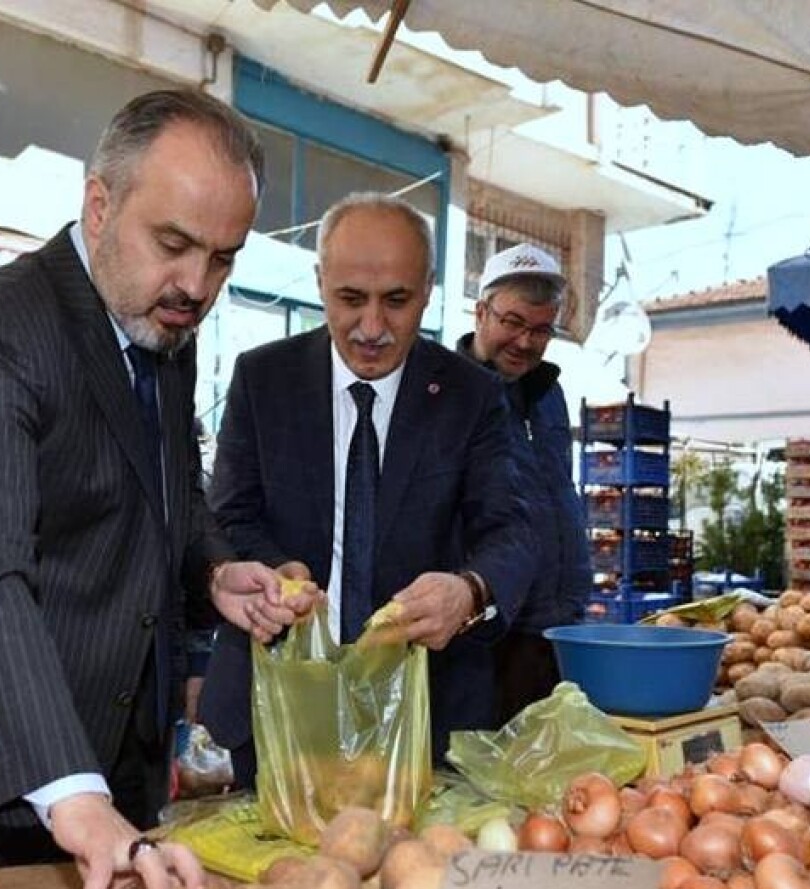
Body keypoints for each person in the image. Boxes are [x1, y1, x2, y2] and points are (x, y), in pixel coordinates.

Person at [0, 90, 316, 889]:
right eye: (174, 244)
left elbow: (167, 491)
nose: (197, 285)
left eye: (223, 259)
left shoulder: (163, 326)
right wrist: (73, 793)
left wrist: (211, 569)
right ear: (99, 204)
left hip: (116, 763)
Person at [200, 193, 535, 785]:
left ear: (429, 289)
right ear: (320, 281)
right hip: (277, 708)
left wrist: (469, 590)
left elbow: (511, 530)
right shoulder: (262, 379)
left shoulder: (472, 396)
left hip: (420, 721)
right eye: (350, 299)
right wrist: (275, 571)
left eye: (397, 302)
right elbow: (229, 517)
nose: (373, 328)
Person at [454, 244, 590, 722]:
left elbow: (558, 495)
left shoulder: (550, 395)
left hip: (557, 626)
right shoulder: (450, 394)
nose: (526, 342)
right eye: (512, 323)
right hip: (488, 634)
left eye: (541, 329)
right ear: (481, 312)